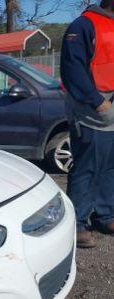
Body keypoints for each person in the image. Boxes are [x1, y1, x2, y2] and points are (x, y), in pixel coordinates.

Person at [61, 0, 114, 248]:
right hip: (91, 106)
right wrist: (96, 101)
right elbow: (72, 69)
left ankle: (106, 215)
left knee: (109, 165)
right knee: (87, 165)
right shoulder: (83, 25)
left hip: (110, 103)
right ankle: (78, 224)